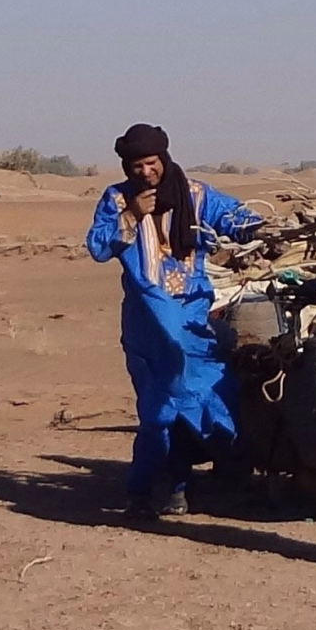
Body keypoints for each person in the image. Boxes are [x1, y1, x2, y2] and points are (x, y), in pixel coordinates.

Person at [87, 124, 261, 518]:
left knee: (210, 396)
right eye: (136, 167)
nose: (145, 173)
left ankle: (197, 479)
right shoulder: (116, 200)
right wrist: (131, 216)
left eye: (151, 164)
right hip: (146, 324)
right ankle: (150, 490)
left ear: (163, 159)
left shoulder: (197, 195)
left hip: (193, 319)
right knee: (158, 411)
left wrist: (257, 230)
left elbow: (236, 218)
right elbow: (97, 247)